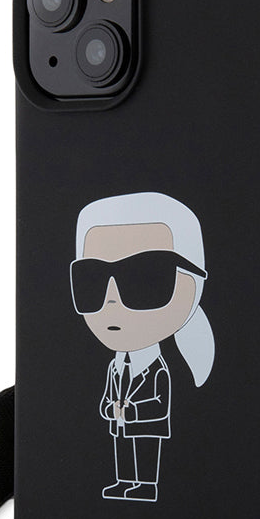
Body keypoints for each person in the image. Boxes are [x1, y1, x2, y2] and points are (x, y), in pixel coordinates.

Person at [70, 192, 215, 502]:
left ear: (194, 284)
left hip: (146, 426)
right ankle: (125, 482)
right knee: (123, 452)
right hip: (121, 424)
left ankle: (146, 485)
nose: (111, 300)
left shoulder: (157, 369)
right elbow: (108, 395)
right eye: (91, 279)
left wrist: (132, 411)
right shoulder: (115, 366)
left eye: (146, 276)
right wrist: (109, 409)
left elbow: (160, 404)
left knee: (146, 454)